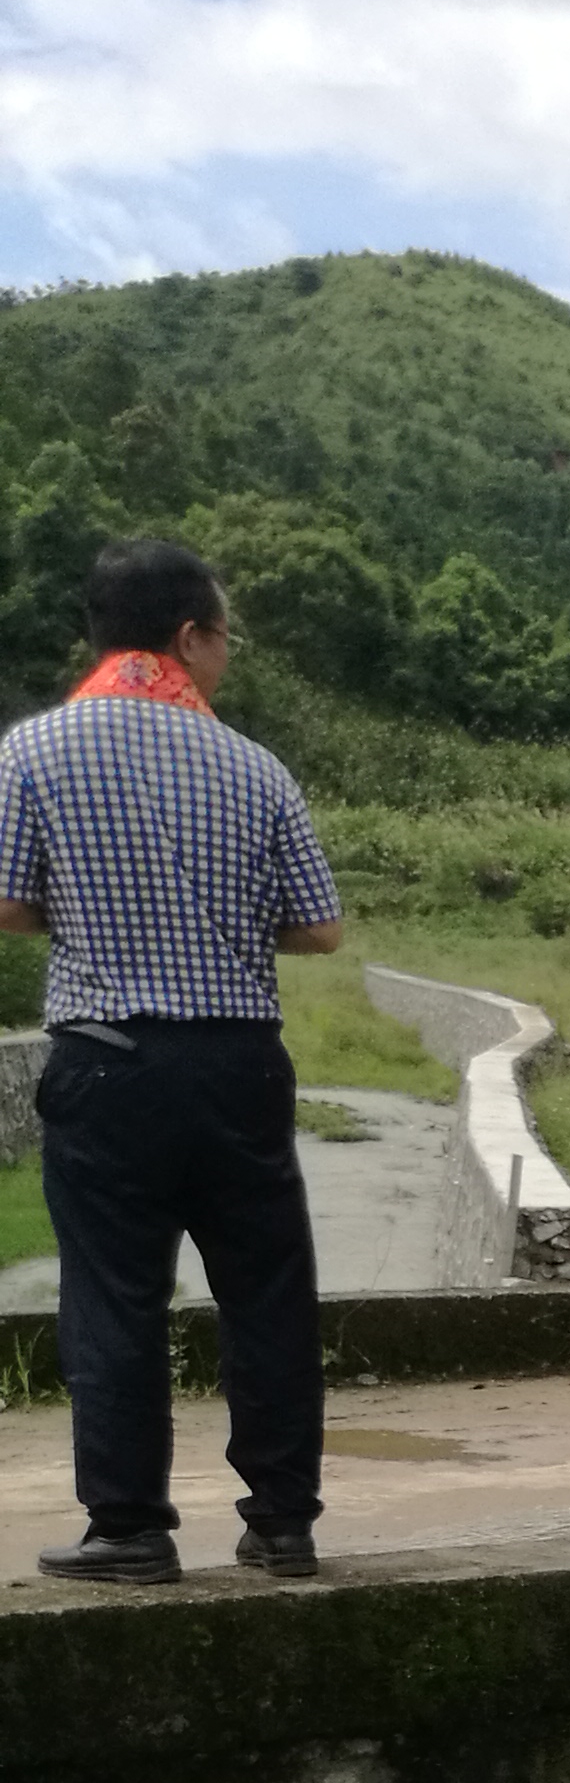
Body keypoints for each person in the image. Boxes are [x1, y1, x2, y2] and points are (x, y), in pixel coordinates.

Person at [0, 533, 345, 1584]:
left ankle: (129, 1529)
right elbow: (320, 928)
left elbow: (9, 904)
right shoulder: (255, 766)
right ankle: (283, 1523)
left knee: (113, 1298)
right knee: (267, 1295)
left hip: (106, 1063)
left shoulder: (31, 752)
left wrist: (99, 911)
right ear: (188, 636)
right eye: (224, 636)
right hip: (239, 1062)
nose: (226, 656)